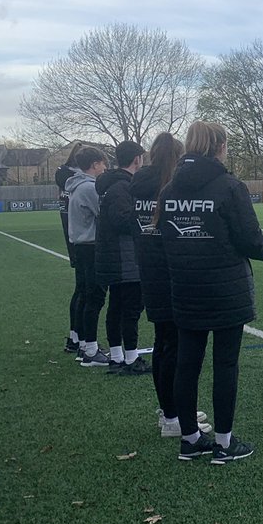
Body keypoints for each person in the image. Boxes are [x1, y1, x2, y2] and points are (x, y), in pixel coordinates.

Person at [159, 121, 263, 464]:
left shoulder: (169, 191)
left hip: (185, 287)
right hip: (225, 291)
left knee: (187, 364)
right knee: (225, 364)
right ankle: (224, 443)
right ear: (220, 146)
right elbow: (251, 240)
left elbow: (165, 240)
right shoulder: (229, 187)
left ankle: (190, 439)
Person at [132, 133, 210, 438]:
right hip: (171, 272)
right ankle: (173, 416)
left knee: (164, 343)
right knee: (174, 348)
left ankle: (170, 410)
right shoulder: (171, 187)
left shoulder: (138, 183)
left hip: (148, 270)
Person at [95, 140, 149, 375]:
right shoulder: (121, 187)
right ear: (137, 159)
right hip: (123, 258)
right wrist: (146, 222)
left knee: (117, 307)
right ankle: (129, 358)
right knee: (129, 309)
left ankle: (118, 356)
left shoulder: (114, 185)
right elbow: (122, 220)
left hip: (115, 256)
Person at [66, 146, 110, 366]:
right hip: (91, 247)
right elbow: (104, 214)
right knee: (94, 297)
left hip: (81, 246)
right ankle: (90, 350)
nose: (104, 167)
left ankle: (84, 344)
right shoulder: (89, 187)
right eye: (103, 163)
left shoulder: (77, 186)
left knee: (85, 295)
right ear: (94, 164)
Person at [56, 143, 83, 354]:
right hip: (83, 242)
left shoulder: (67, 182)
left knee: (82, 290)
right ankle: (82, 340)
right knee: (86, 292)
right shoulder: (79, 185)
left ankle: (76, 336)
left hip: (74, 239)